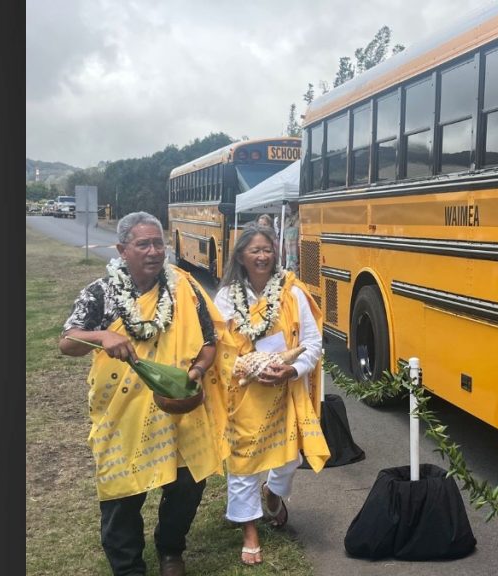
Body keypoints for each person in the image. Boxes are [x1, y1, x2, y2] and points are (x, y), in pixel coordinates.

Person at [59, 211, 228, 576]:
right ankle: (128, 566)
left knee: (187, 485)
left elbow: (209, 344)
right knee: (123, 495)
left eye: (158, 243)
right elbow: (67, 341)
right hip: (123, 414)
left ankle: (171, 550)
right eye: (143, 244)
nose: (154, 251)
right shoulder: (100, 293)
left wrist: (195, 373)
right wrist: (101, 336)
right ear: (123, 249)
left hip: (177, 409)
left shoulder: (185, 289)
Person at [212, 223, 330, 566]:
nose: (263, 256)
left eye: (267, 250)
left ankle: (274, 495)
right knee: (243, 464)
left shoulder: (293, 293)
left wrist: (291, 369)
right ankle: (250, 531)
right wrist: (252, 368)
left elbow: (313, 343)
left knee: (289, 460)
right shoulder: (227, 297)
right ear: (241, 257)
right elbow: (220, 349)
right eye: (255, 251)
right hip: (245, 393)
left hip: (285, 391)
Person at [282, 208, 299, 272]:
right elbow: (284, 240)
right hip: (288, 255)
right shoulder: (287, 220)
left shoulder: (300, 219)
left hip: (296, 254)